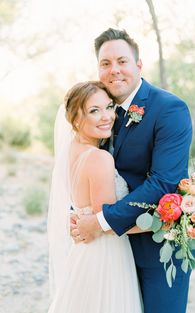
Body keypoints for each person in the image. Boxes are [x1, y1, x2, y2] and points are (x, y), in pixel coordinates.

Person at [70, 28, 193, 313]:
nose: (114, 70)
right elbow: (82, 166)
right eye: (105, 63)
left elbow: (164, 183)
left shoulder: (169, 109)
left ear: (138, 65)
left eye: (122, 61)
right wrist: (78, 214)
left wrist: (99, 221)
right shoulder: (100, 110)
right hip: (111, 254)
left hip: (156, 248)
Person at [47, 81, 143, 313]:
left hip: (83, 253)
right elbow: (107, 223)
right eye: (94, 111)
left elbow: (87, 208)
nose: (107, 116)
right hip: (106, 256)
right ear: (75, 118)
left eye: (109, 107)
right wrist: (164, 224)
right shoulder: (99, 159)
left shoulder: (70, 150)